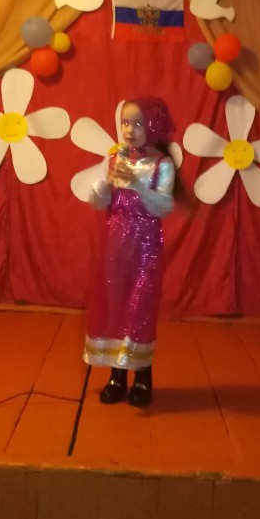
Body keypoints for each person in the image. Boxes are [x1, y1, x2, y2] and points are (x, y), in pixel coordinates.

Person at [83, 96, 176, 407]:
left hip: (145, 249)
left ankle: (143, 378)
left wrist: (136, 184)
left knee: (140, 309)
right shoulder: (115, 159)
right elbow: (97, 201)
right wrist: (105, 185)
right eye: (125, 122)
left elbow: (163, 206)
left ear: (154, 126)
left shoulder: (162, 165)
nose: (129, 130)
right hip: (116, 247)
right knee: (116, 305)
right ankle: (117, 376)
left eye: (138, 123)